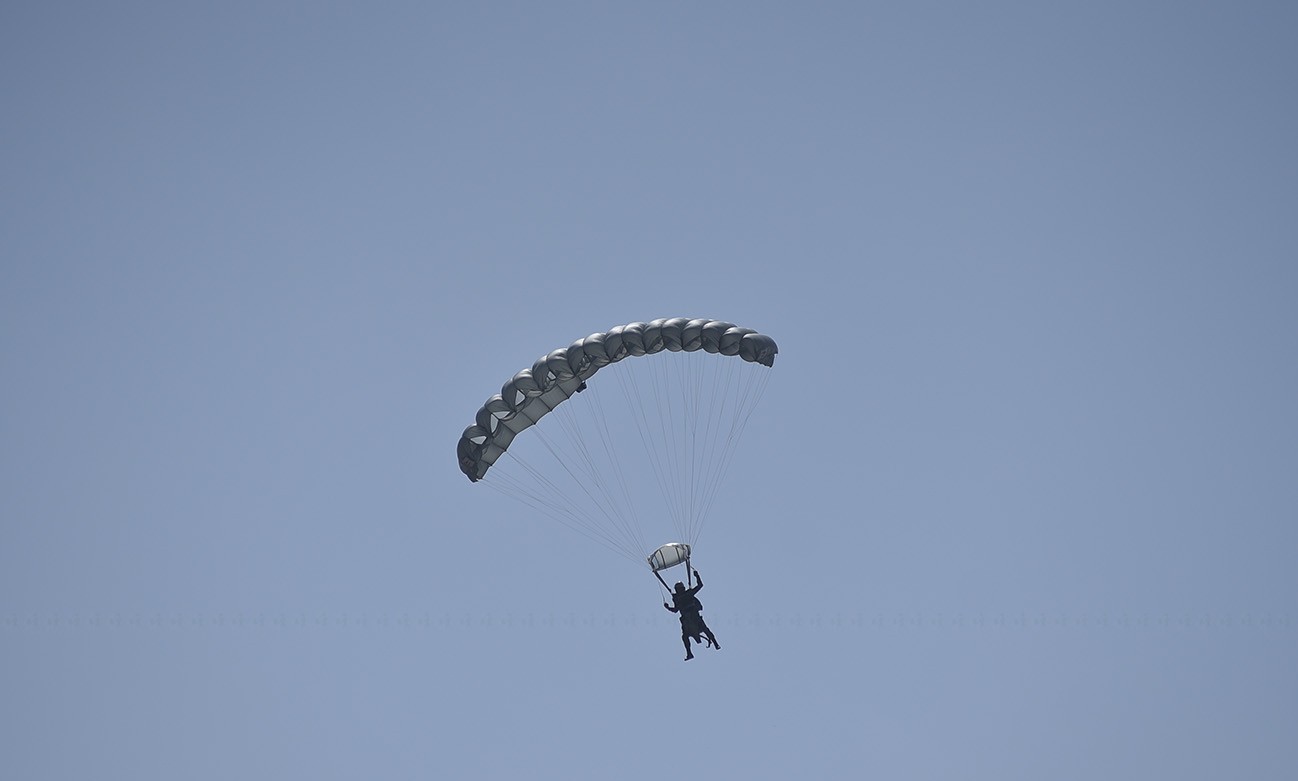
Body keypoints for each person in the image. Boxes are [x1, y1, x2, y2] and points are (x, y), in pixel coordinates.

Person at [663, 569, 720, 660]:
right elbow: (676, 610)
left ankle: (715, 643)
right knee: (686, 636)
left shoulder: (686, 594)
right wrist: (668, 607)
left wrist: (697, 576)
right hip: (687, 620)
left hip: (693, 617)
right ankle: (689, 653)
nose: (680, 590)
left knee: (703, 630)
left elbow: (700, 585)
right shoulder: (677, 597)